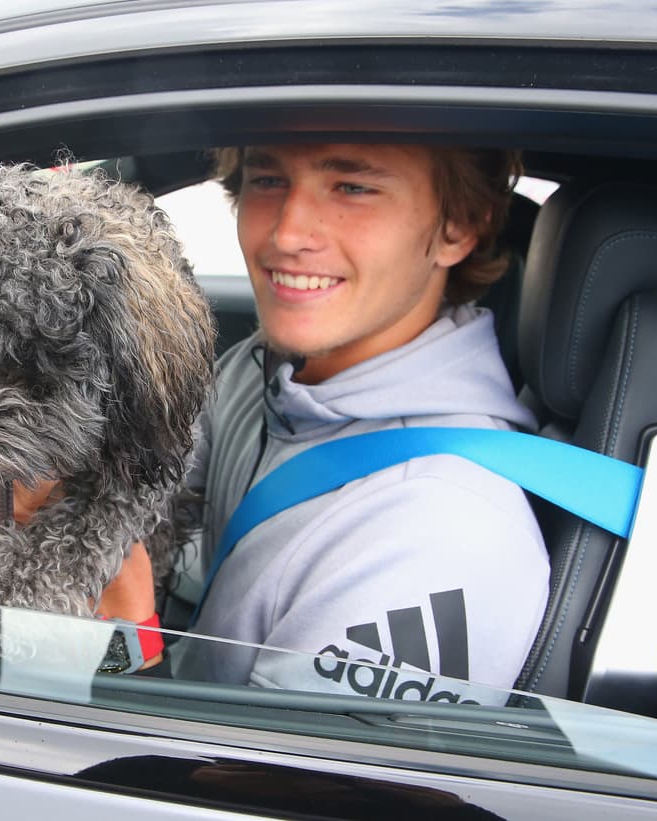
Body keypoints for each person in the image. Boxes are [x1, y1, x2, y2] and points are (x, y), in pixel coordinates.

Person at [111, 142, 550, 695]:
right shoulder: (263, 371)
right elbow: (146, 489)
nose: (288, 234)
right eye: (267, 179)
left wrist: (118, 637)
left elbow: (255, 779)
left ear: (457, 228)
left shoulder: (438, 531)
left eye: (353, 188)